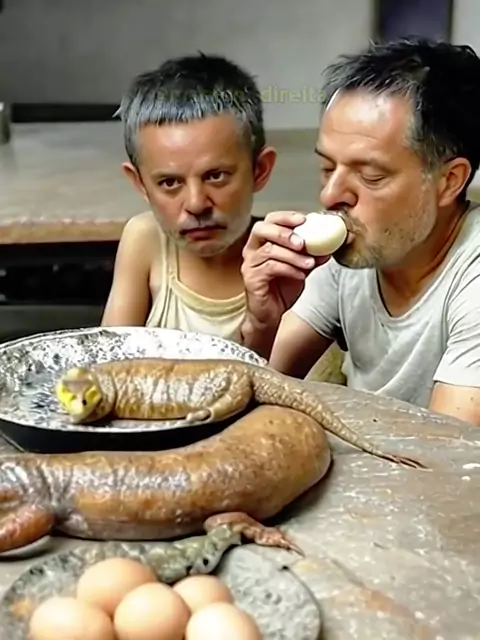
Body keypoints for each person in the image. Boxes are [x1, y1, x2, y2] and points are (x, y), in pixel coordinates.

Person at [239, 36, 480, 425]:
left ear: (449, 181)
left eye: (370, 176)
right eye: (327, 168)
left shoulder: (471, 277)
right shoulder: (358, 249)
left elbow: (452, 451)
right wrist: (262, 322)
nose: (330, 195)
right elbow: (252, 394)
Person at [101, 53, 276, 341]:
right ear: (140, 183)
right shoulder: (146, 242)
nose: (196, 204)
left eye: (216, 176)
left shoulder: (284, 258)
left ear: (259, 170)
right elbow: (111, 358)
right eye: (170, 182)